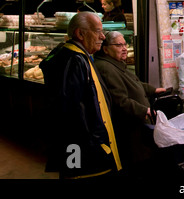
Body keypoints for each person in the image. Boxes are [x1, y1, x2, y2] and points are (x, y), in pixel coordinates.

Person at [39, 12, 122, 179]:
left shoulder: (77, 56)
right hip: (86, 152)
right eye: (98, 31)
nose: (102, 37)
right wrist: (95, 146)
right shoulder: (74, 61)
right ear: (80, 33)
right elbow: (71, 115)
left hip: (86, 148)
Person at [94, 31, 166, 176]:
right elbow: (120, 101)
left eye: (125, 44)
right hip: (128, 128)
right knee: (135, 164)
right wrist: (144, 110)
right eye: (118, 45)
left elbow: (135, 84)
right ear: (106, 49)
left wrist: (154, 90)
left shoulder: (116, 64)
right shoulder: (106, 68)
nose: (124, 48)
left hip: (137, 124)